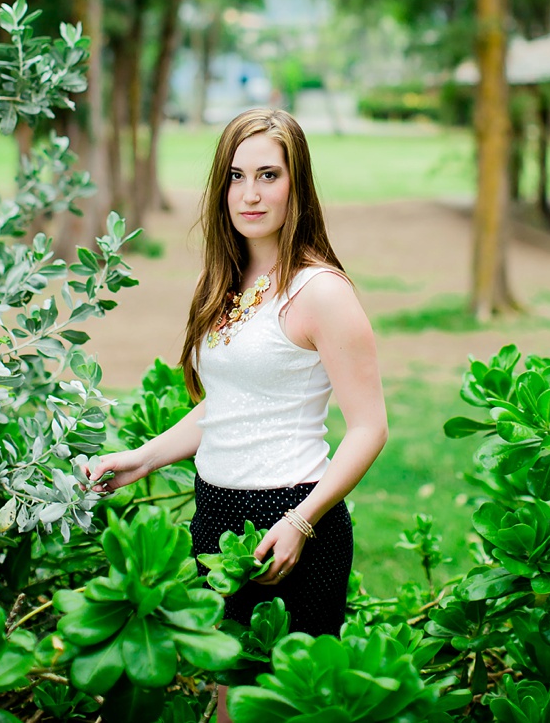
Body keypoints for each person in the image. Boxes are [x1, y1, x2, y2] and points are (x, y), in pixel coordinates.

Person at [87, 108, 388, 719]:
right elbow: (227, 411)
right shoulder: (226, 283)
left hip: (294, 521)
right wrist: (143, 458)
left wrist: (301, 522)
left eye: (269, 175)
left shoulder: (320, 292)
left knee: (277, 709)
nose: (250, 194)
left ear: (296, 184)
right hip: (216, 517)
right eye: (235, 176)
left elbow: (370, 428)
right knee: (226, 706)